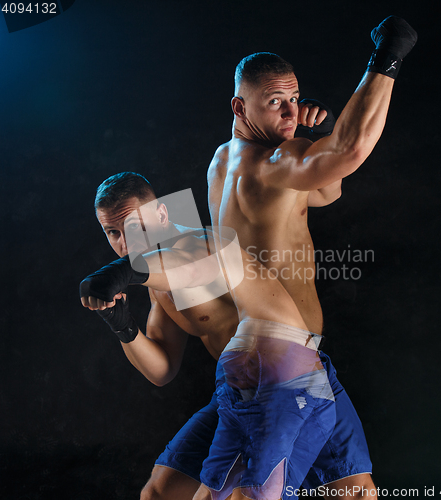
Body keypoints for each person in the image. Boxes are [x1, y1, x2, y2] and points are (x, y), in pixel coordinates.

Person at [205, 16, 417, 500]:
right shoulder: (275, 162)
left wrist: (297, 134)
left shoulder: (223, 160)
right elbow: (350, 149)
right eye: (275, 101)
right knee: (249, 495)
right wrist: (388, 56)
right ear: (240, 105)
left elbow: (323, 193)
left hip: (301, 359)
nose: (289, 110)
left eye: (294, 99)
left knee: (356, 491)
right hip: (277, 361)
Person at [86, 171, 331, 500]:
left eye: (135, 227)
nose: (125, 244)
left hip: (287, 381)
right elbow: (162, 369)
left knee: (345, 491)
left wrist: (124, 271)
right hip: (236, 393)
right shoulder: (156, 285)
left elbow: (190, 268)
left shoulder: (196, 242)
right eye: (113, 232)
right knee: (159, 494)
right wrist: (121, 324)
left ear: (161, 215)